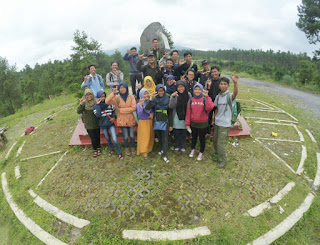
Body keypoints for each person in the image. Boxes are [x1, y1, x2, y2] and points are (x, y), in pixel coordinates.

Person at [212, 73, 239, 168]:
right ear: (219, 85)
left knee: (220, 143)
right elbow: (217, 109)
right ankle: (216, 153)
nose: (223, 86)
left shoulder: (230, 96)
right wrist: (214, 119)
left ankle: (223, 160)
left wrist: (235, 83)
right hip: (217, 122)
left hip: (225, 123)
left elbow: (235, 93)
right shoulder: (218, 96)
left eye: (225, 84)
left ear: (228, 85)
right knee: (215, 140)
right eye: (221, 84)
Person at [105, 81, 137, 156]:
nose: (122, 89)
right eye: (121, 88)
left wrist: (121, 110)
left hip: (130, 119)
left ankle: (133, 147)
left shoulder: (131, 97)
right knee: (125, 135)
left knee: (132, 135)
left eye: (124, 87)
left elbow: (134, 108)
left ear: (126, 88)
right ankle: (126, 148)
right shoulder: (117, 98)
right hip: (122, 120)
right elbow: (107, 101)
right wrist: (113, 93)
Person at [185, 84, 214, 161]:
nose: (197, 91)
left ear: (201, 90)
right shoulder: (191, 100)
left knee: (202, 139)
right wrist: (187, 124)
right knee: (193, 138)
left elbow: (210, 107)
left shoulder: (204, 99)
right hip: (193, 124)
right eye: (196, 89)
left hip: (203, 124)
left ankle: (201, 152)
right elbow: (188, 113)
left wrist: (207, 97)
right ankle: (193, 149)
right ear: (193, 90)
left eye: (199, 89)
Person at [93, 90, 123, 160]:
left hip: (110, 124)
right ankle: (112, 149)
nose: (103, 98)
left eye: (104, 96)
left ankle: (119, 152)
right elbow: (97, 115)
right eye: (101, 96)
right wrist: (97, 105)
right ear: (98, 97)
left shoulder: (109, 104)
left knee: (114, 138)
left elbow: (113, 112)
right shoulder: (95, 106)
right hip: (103, 125)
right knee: (107, 138)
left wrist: (113, 117)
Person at [146, 84, 170, 163]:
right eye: (159, 91)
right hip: (157, 121)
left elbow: (170, 112)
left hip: (165, 121)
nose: (161, 92)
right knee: (159, 137)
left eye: (162, 91)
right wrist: (151, 98)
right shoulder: (155, 99)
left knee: (165, 138)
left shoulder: (167, 98)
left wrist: (171, 124)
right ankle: (162, 150)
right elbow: (147, 108)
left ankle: (164, 155)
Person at [77, 89, 101, 157]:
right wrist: (81, 104)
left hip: (96, 123)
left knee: (97, 136)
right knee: (92, 137)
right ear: (85, 96)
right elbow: (78, 111)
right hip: (88, 124)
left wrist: (98, 105)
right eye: (87, 95)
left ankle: (99, 148)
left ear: (92, 95)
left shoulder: (96, 102)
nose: (89, 96)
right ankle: (95, 150)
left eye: (90, 94)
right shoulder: (84, 103)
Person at [169, 81, 191, 154]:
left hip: (185, 116)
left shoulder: (188, 95)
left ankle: (182, 146)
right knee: (177, 132)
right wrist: (173, 97)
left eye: (182, 87)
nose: (180, 88)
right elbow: (171, 106)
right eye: (179, 87)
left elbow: (191, 105)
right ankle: (177, 146)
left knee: (183, 132)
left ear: (185, 87)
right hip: (176, 116)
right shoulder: (175, 95)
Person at [137, 88, 154, 160]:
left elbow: (152, 110)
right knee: (145, 137)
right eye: (144, 94)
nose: (146, 95)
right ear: (141, 95)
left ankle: (149, 149)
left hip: (150, 121)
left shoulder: (149, 102)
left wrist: (152, 114)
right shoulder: (139, 104)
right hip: (143, 122)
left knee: (150, 136)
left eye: (147, 93)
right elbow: (140, 113)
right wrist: (140, 104)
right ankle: (144, 153)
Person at [206, 66, 221, 132]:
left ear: (218, 72)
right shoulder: (210, 81)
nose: (214, 73)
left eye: (215, 71)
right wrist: (209, 86)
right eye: (212, 72)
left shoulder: (221, 81)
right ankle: (208, 131)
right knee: (209, 116)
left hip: (219, 102)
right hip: (211, 102)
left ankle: (217, 130)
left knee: (218, 116)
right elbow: (207, 92)